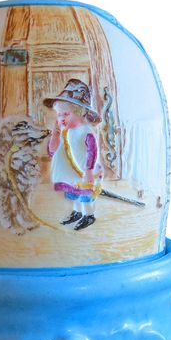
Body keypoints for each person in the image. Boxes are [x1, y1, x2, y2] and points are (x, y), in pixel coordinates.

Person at [43, 79, 103, 230]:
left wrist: (89, 171)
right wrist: (55, 135)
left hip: (85, 170)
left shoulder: (85, 131)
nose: (62, 118)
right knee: (74, 193)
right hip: (71, 172)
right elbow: (53, 152)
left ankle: (88, 215)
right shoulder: (65, 132)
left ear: (79, 112)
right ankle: (77, 212)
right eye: (59, 115)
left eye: (66, 114)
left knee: (84, 195)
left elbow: (92, 151)